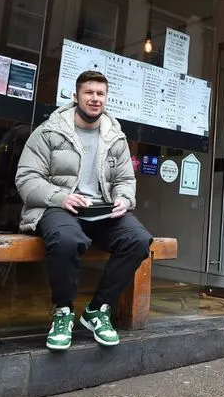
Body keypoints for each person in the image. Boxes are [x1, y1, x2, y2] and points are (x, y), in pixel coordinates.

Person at [16, 70, 153, 350]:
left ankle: (98, 309)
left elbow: (126, 180)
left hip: (102, 210)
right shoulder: (49, 131)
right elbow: (26, 178)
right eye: (89, 93)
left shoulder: (115, 137)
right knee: (68, 240)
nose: (95, 99)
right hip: (59, 207)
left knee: (138, 240)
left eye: (100, 94)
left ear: (106, 98)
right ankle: (63, 311)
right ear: (76, 95)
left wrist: (124, 199)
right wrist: (60, 197)